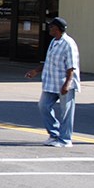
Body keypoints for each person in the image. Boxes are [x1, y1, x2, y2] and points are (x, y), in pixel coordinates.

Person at [25, 17, 80, 148]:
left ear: (58, 29)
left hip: (63, 83)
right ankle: (54, 134)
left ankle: (65, 140)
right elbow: (49, 62)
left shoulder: (68, 43)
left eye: (52, 27)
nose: (49, 28)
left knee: (66, 112)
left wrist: (67, 84)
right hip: (51, 82)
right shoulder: (53, 42)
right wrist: (35, 71)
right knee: (43, 106)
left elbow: (71, 66)